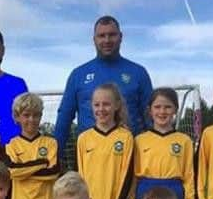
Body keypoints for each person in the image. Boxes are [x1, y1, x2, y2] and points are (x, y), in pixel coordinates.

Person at [54, 15, 153, 160]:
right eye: (101, 36)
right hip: (90, 157)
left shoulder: (138, 73)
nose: (107, 40)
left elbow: (150, 117)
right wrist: (55, 157)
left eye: (112, 35)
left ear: (120, 37)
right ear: (94, 39)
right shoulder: (78, 74)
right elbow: (64, 117)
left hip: (131, 156)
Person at [128, 87, 196, 199]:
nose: (162, 111)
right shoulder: (139, 140)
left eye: (167, 107)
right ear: (150, 110)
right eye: (157, 107)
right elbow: (132, 177)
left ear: (175, 109)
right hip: (145, 193)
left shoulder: (184, 141)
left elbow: (189, 176)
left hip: (174, 193)